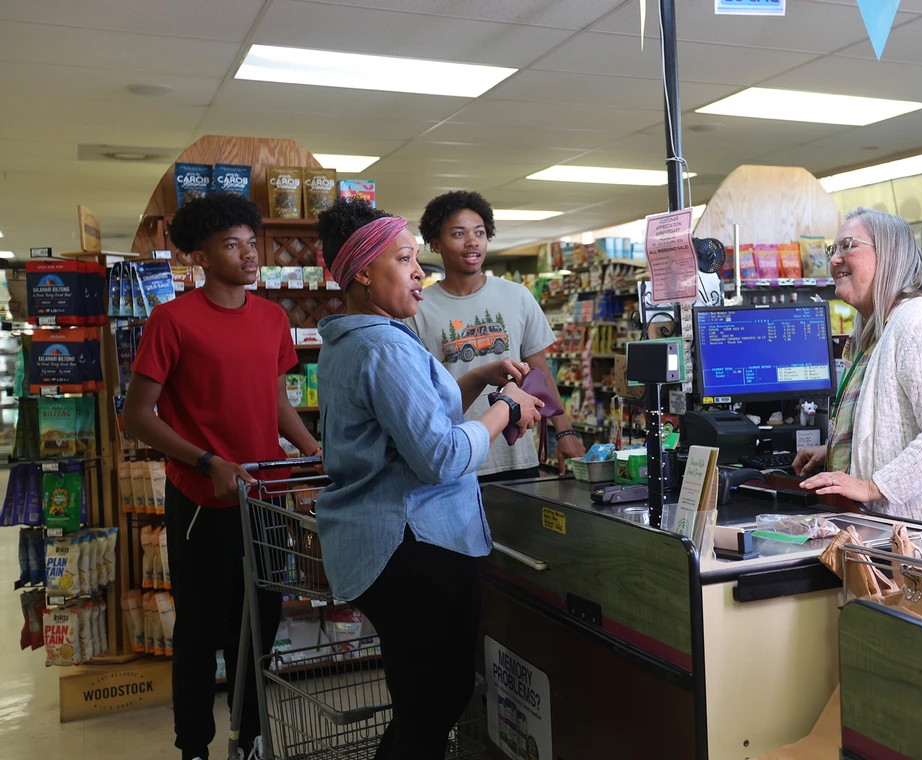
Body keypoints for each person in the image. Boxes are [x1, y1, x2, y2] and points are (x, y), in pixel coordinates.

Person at [313, 198, 544, 758]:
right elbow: (439, 455)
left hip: (385, 545)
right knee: (435, 700)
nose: (421, 272)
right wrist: (505, 411)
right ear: (363, 273)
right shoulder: (384, 346)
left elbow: (411, 423)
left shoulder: (351, 338)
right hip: (412, 542)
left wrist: (475, 380)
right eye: (404, 259)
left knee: (421, 697)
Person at [123, 192, 320, 760]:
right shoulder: (171, 320)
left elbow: (275, 398)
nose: (248, 254)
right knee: (199, 635)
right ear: (200, 258)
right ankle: (195, 747)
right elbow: (136, 416)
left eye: (250, 242)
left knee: (258, 629)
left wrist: (310, 447)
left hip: (263, 501)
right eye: (231, 245)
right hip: (201, 502)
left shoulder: (273, 317)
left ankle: (249, 739)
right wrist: (206, 462)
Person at [792, 207, 922, 529]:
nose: (835, 260)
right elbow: (888, 424)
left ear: (889, 255)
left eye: (848, 245)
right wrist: (839, 450)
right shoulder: (876, 330)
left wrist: (872, 487)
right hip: (893, 526)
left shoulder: (919, 322)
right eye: (833, 249)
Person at [405, 190, 586, 480]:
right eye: (458, 233)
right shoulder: (417, 308)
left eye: (479, 232)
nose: (472, 241)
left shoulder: (517, 296)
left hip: (517, 455)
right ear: (436, 244)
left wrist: (563, 431)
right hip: (455, 456)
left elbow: (539, 370)